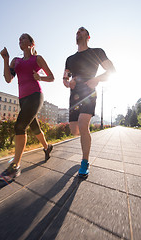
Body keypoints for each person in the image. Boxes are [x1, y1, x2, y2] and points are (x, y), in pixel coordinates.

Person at [0, 33, 54, 182]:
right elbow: (8, 79)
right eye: (19, 39)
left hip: (35, 96)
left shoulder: (37, 59)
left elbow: (51, 77)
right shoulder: (16, 61)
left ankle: (15, 166)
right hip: (23, 99)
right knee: (35, 128)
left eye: (23, 38)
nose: (20, 40)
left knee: (19, 127)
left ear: (31, 43)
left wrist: (40, 78)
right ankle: (47, 147)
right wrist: (6, 60)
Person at [63, 27, 115, 178]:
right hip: (74, 96)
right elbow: (65, 78)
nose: (78, 32)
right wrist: (68, 83)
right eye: (77, 32)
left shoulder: (97, 52)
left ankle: (84, 161)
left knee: (82, 124)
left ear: (88, 36)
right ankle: (86, 137)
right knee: (75, 130)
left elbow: (111, 70)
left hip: (89, 92)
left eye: (81, 31)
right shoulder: (69, 59)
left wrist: (97, 79)